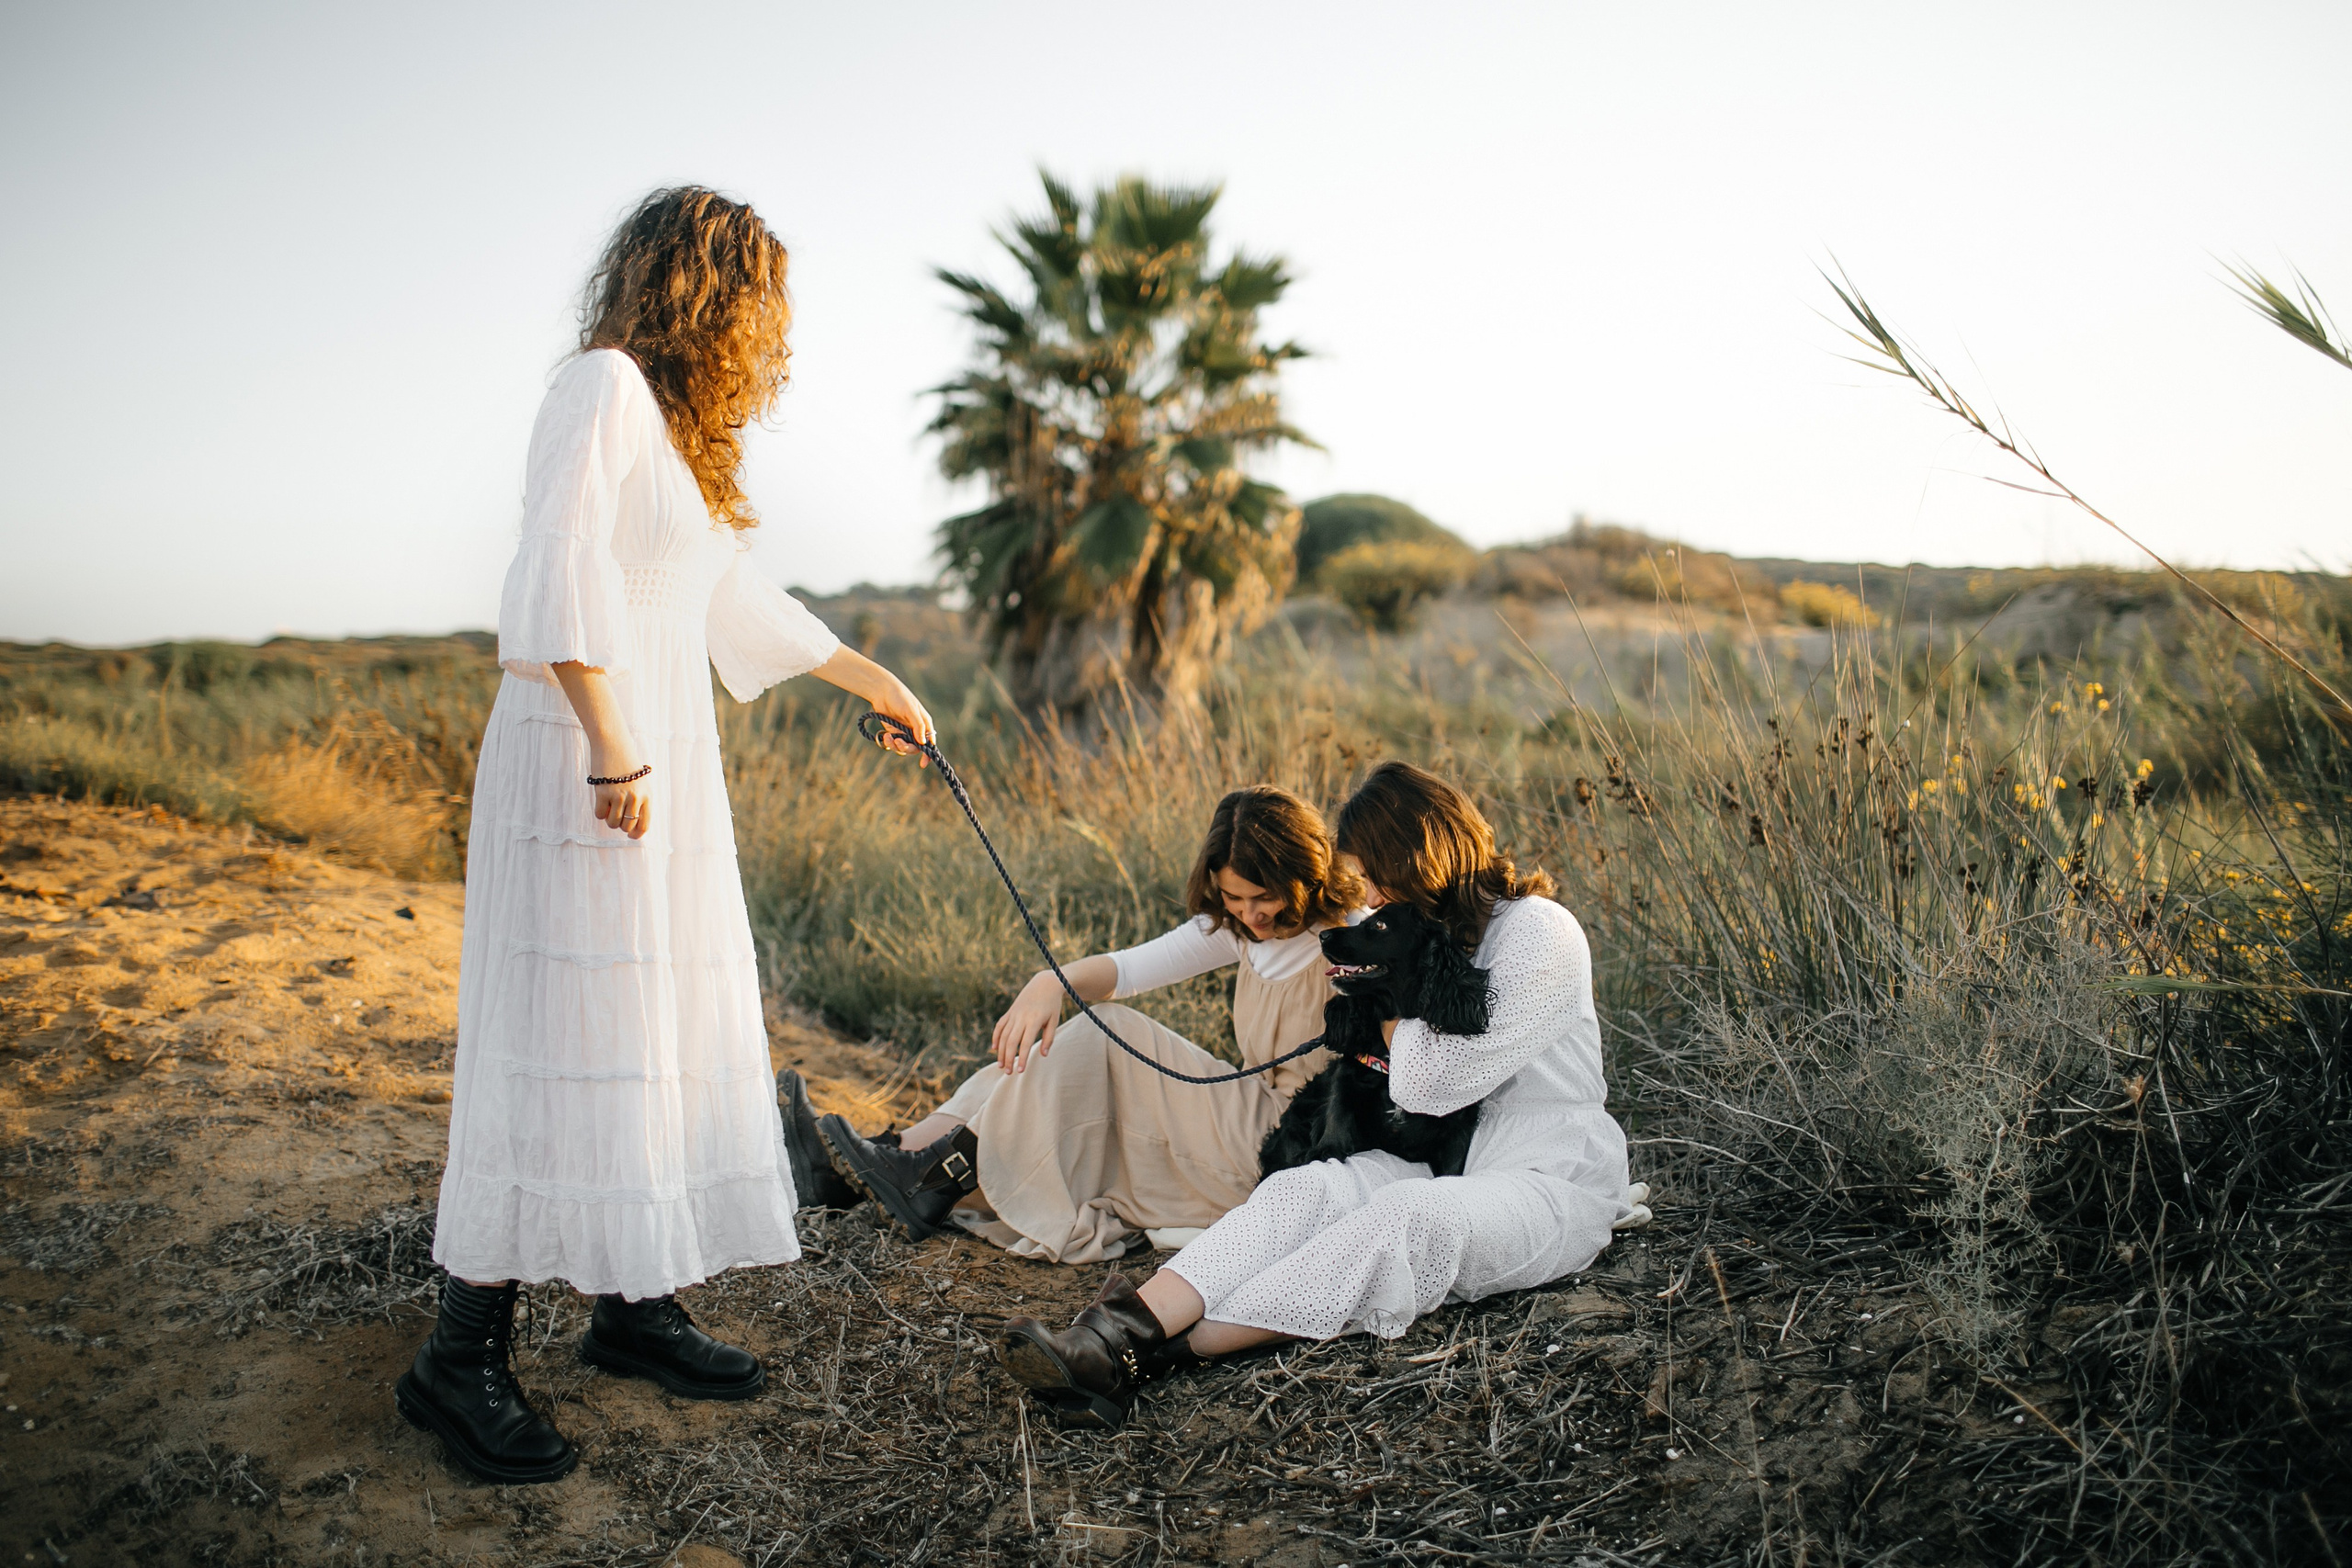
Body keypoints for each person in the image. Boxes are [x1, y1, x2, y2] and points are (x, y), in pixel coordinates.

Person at [398, 187, 936, 1485]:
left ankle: (629, 1303)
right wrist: (609, 742)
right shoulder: (599, 388)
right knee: (551, 1041)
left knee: (647, 1036)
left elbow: (730, 599)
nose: (775, 329)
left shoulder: (675, 440)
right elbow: (557, 567)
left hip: (646, 771)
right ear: (712, 290)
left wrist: (878, 682)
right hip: (587, 766)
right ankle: (457, 1358)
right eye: (763, 298)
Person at [995, 761, 1648, 1429]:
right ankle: (1109, 1330)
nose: (1363, 892)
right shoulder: (1443, 937)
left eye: (1371, 874)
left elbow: (1429, 1081)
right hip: (1439, 1155)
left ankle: (1155, 1357)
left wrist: (1389, 993)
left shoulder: (1541, 932)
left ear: (1415, 857)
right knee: (1303, 1188)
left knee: (1407, 1217)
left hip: (1548, 1178)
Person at [802, 786, 1363, 1263]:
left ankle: (925, 1174)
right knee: (1060, 1052)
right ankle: (894, 1157)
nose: (1250, 913)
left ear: (1303, 875)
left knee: (1106, 1032)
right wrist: (1045, 985)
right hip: (1246, 1110)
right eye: (1233, 897)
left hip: (1289, 1147)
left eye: (1264, 897)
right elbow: (1132, 966)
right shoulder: (1239, 929)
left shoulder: (1351, 939)